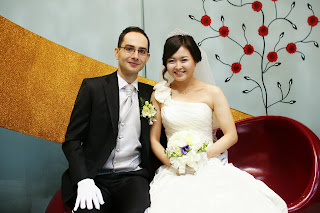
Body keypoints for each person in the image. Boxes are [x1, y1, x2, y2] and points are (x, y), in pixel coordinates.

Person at [145, 31, 288, 213]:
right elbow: (154, 139)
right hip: (174, 169)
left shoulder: (213, 92)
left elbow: (231, 135)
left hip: (207, 162)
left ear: (195, 60)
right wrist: (171, 161)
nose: (178, 66)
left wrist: (201, 157)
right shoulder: (159, 94)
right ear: (165, 63)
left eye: (184, 59)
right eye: (172, 60)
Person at [61, 26, 154, 213]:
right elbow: (71, 140)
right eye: (129, 48)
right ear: (117, 52)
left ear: (147, 57)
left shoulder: (151, 95)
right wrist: (83, 180)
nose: (135, 55)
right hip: (95, 177)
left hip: (133, 177)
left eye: (141, 51)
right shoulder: (93, 88)